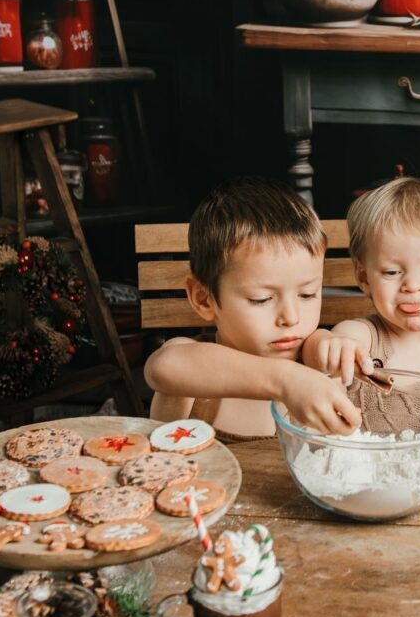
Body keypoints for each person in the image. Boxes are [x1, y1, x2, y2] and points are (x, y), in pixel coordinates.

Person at [144, 178, 363, 440]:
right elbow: (163, 367)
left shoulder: (315, 367)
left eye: (307, 294)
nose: (291, 318)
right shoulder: (190, 373)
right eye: (261, 299)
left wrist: (327, 343)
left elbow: (322, 350)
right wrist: (286, 380)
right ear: (204, 299)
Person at [302, 177, 420, 421]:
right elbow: (321, 353)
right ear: (364, 277)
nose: (412, 286)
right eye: (392, 272)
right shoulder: (361, 338)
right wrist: (325, 343)